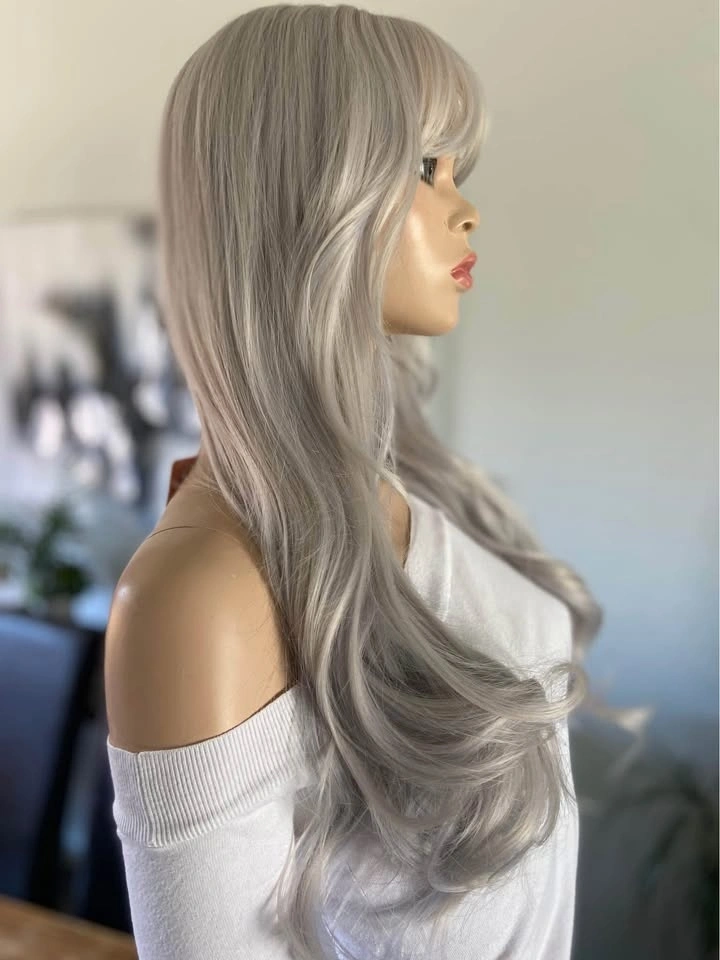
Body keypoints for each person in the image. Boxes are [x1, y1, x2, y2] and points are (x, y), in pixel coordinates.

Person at [103, 5, 605, 958]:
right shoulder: (201, 596)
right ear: (300, 195)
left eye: (457, 170)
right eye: (423, 167)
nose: (466, 208)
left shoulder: (411, 491)